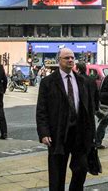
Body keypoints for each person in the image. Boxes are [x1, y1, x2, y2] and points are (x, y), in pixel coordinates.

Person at [36, 48, 96, 190]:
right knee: (57, 172)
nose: (70, 60)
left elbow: (89, 109)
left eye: (72, 58)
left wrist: (92, 134)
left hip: (79, 133)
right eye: (66, 58)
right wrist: (44, 133)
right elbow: (41, 110)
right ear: (59, 60)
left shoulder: (83, 81)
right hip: (59, 133)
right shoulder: (48, 82)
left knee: (81, 168)